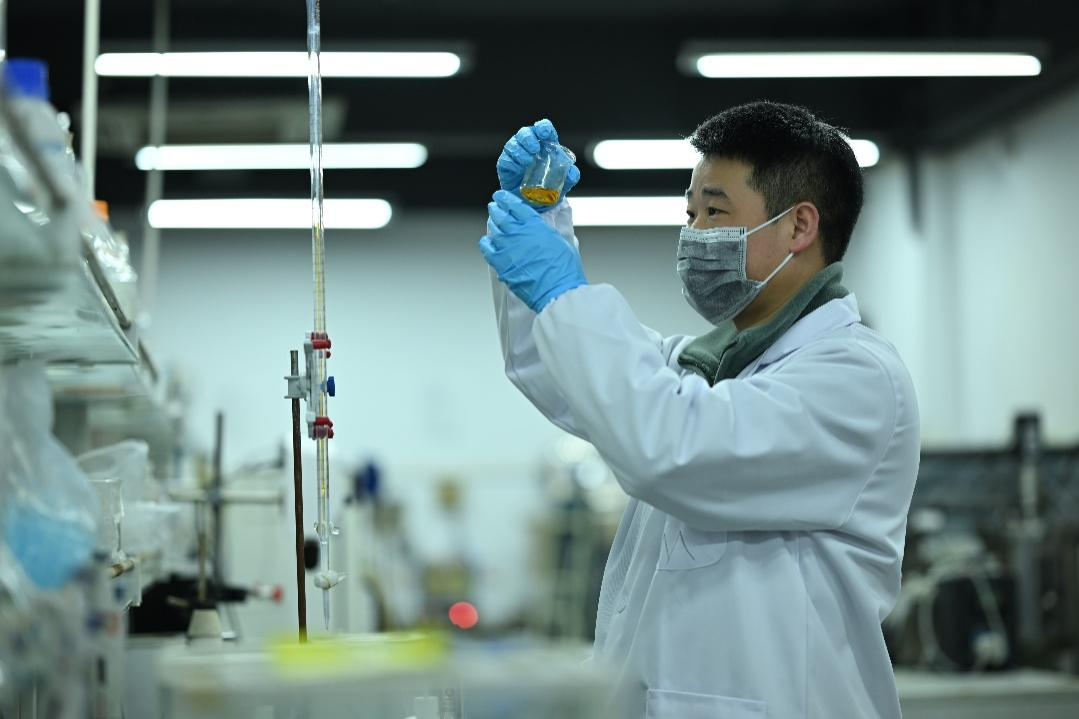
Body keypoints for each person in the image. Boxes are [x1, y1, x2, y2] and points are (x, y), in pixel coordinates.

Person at [478, 101, 921, 718]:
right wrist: (542, 219)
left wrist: (565, 293)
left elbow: (668, 446)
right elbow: (566, 377)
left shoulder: (853, 378)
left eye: (715, 212)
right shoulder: (710, 368)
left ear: (799, 227)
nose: (693, 235)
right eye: (690, 214)